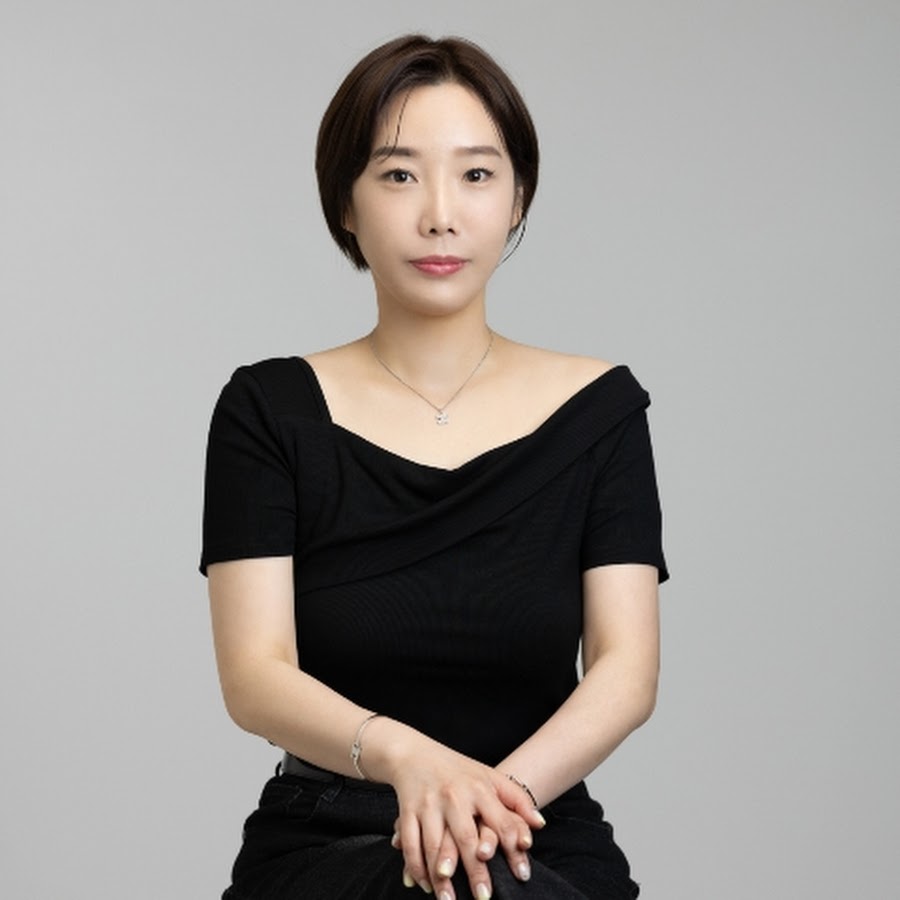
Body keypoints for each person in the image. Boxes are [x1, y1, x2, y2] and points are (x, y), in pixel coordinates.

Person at [200, 34, 668, 900]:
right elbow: (255, 674)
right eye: (399, 175)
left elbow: (625, 671)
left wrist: (494, 801)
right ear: (345, 202)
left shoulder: (600, 412)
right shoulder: (269, 410)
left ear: (518, 197)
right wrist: (410, 761)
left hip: (536, 828)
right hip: (331, 832)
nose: (440, 214)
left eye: (476, 174)